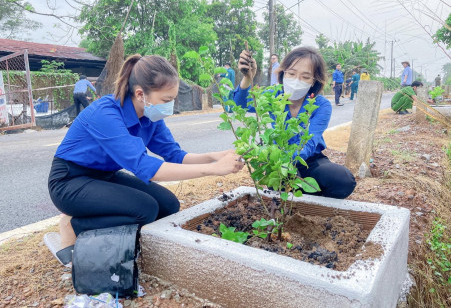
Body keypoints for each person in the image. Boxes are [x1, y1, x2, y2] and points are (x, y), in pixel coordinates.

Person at [47, 54, 245, 266]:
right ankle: (75, 226)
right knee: (145, 209)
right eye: (167, 100)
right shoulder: (105, 113)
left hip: (105, 177)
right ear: (141, 94)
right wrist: (214, 169)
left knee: (168, 205)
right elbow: (145, 167)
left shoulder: (150, 116)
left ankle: (121, 240)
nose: (171, 106)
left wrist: (214, 157)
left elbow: (176, 156)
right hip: (70, 181)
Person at [233, 46, 356, 199]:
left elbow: (310, 142)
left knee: (341, 179)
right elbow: (239, 106)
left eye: (305, 77)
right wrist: (247, 78)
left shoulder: (320, 104)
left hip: (310, 160)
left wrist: (290, 161)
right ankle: (291, 203)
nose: (296, 81)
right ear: (283, 73)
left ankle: (314, 204)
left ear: (313, 81)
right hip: (279, 162)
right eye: (291, 73)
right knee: (281, 181)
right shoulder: (273, 96)